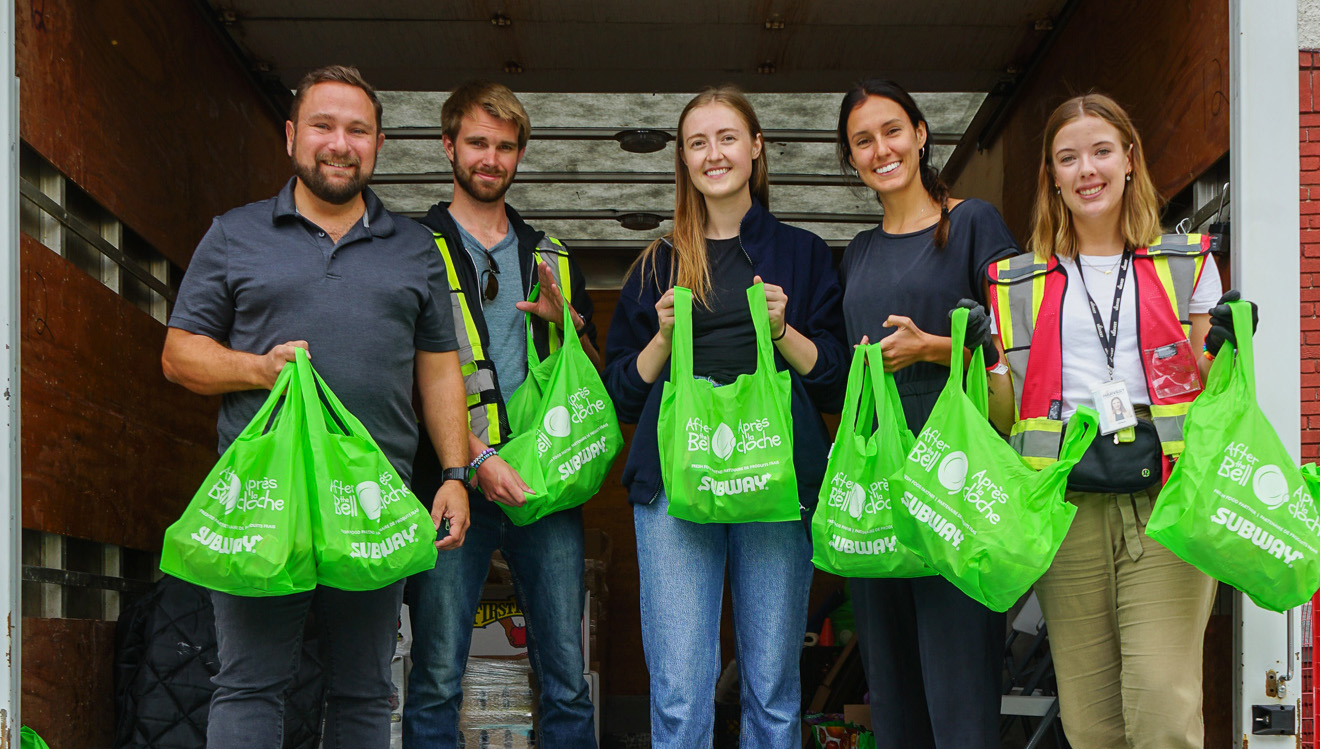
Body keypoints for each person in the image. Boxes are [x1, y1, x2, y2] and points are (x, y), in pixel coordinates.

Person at [161, 65, 471, 749]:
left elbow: (440, 368)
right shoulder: (234, 234)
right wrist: (257, 366)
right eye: (324, 126)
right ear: (290, 135)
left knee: (364, 689)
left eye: (357, 130)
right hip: (266, 498)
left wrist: (454, 471)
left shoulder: (416, 249)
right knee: (248, 683)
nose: (340, 143)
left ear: (379, 144)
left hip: (372, 498)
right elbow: (179, 354)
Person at [985, 92, 1256, 748]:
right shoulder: (1011, 281)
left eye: (1101, 151)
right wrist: (985, 363)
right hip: (1068, 509)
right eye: (1068, 157)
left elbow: (1209, 393)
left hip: (1167, 501)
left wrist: (1228, 343)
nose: (1087, 169)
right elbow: (1005, 417)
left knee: (1161, 708)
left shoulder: (1187, 260)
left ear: (1129, 160)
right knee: (1092, 723)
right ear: (1050, 174)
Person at [604, 86, 846, 747]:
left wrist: (784, 329)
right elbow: (619, 397)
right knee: (681, 691)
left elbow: (835, 382)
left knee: (771, 690)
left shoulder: (802, 252)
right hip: (674, 487)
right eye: (697, 142)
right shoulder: (656, 262)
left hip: (775, 481)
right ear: (682, 159)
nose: (714, 154)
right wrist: (657, 339)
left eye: (728, 137)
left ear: (757, 147)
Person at [403, 81, 599, 749]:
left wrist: (566, 325)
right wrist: (474, 458)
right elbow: (401, 370)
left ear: (520, 154)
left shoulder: (552, 254)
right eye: (478, 143)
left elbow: (589, 376)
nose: (491, 158)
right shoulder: (410, 248)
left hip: (542, 484)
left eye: (505, 146)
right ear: (448, 144)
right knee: (435, 675)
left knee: (567, 677)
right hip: (451, 482)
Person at [834, 78, 1015, 749]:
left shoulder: (973, 223)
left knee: (959, 697)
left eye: (890, 130)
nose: (880, 148)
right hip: (880, 488)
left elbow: (1016, 347)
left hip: (955, 484)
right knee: (894, 700)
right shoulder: (856, 252)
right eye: (862, 140)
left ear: (919, 133)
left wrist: (932, 347)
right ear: (850, 159)